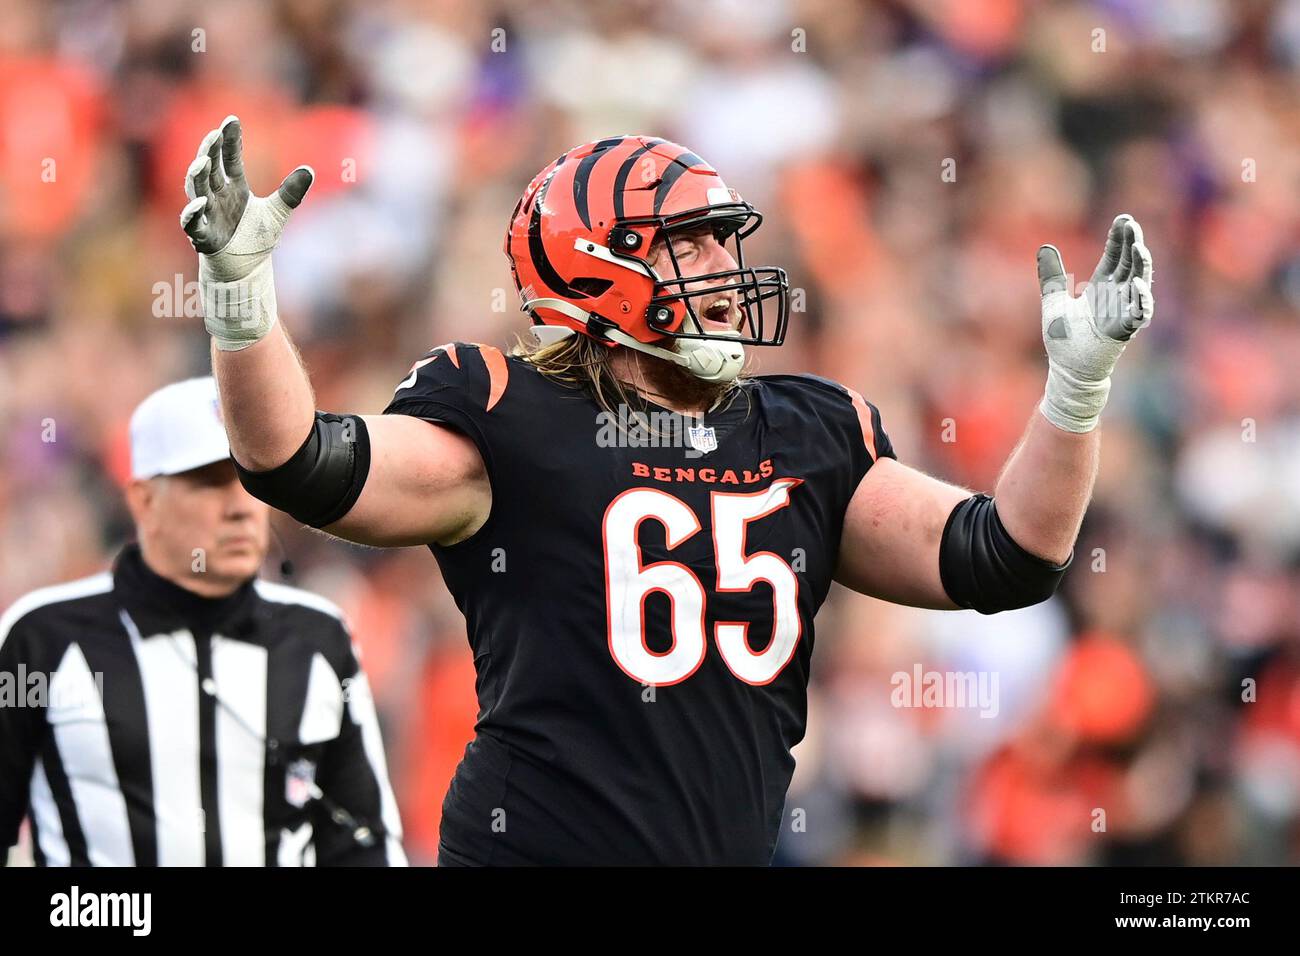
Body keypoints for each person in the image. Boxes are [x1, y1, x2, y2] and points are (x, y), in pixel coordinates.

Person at [179, 119, 1154, 865]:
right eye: (688, 244)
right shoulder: (512, 415)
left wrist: (1074, 393)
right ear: (595, 266)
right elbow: (295, 463)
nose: (723, 266)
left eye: (723, 239)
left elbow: (1008, 556)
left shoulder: (806, 430)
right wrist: (238, 296)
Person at [0, 376, 406, 866]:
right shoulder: (44, 638)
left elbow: (364, 841)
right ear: (144, 501)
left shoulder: (318, 637)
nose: (240, 507)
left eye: (253, 479)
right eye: (210, 482)